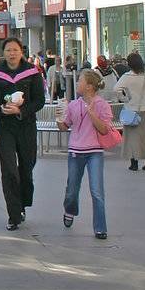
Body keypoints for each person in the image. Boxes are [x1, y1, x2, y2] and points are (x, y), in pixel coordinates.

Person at [0, 37, 46, 230]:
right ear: (3, 53)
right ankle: (13, 214)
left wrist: (21, 110)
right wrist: (0, 109)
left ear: (21, 52)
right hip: (5, 127)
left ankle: (23, 203)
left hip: (26, 126)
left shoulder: (32, 72)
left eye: (15, 50)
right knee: (9, 170)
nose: (12, 53)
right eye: (8, 50)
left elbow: (39, 100)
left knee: (26, 169)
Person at [58, 67, 115, 238]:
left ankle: (100, 228)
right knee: (72, 189)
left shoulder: (102, 105)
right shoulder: (74, 105)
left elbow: (104, 130)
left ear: (89, 86)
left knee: (97, 190)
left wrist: (92, 114)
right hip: (76, 150)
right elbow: (64, 126)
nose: (77, 83)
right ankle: (70, 210)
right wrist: (59, 118)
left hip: (95, 152)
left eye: (80, 81)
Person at [114, 52, 145, 174]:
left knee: (132, 138)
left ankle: (134, 164)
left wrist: (125, 98)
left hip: (132, 110)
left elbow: (116, 89)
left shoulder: (127, 77)